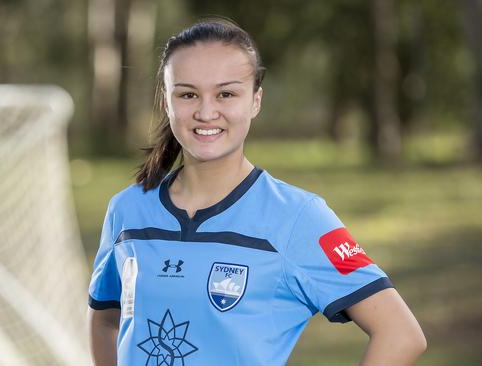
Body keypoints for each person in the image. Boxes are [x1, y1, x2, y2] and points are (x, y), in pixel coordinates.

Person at [87, 18, 426, 366]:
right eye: (188, 94)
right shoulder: (127, 210)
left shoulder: (298, 217)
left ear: (255, 100)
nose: (206, 112)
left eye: (226, 94)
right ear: (167, 100)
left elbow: (400, 334)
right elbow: (105, 320)